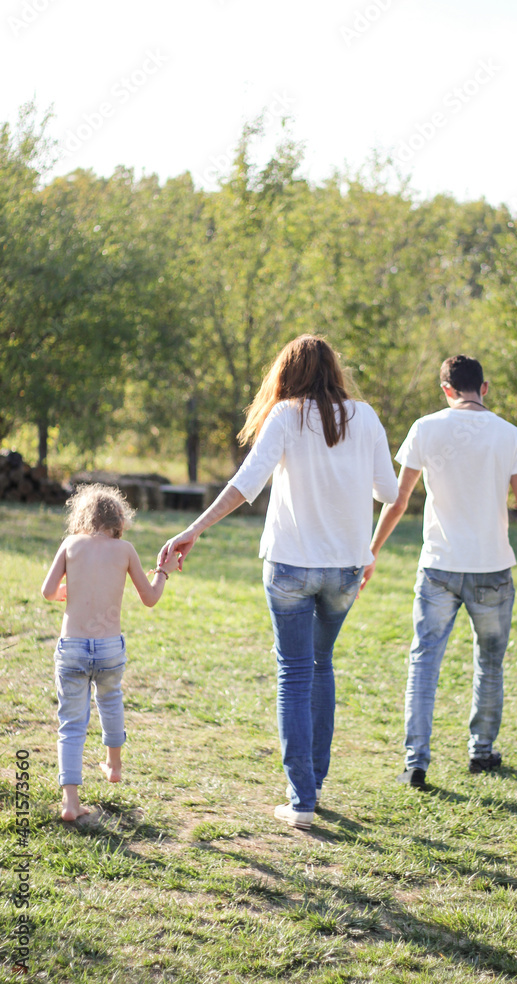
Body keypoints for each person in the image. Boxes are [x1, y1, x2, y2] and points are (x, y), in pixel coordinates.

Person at [159, 334, 398, 830]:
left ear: (288, 373)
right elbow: (388, 492)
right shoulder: (367, 417)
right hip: (346, 569)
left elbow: (245, 484)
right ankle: (314, 786)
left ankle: (301, 798)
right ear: (334, 371)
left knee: (294, 672)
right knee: (321, 664)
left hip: (290, 565)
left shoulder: (287, 415)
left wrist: (192, 530)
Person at [361, 354, 517, 787]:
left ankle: (415, 763)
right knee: (490, 663)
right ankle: (481, 753)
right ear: (484, 388)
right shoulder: (511, 436)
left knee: (424, 663)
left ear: (446, 390)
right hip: (493, 570)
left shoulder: (425, 428)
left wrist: (371, 552)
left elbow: (399, 500)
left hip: (439, 568)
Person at [41, 483, 181, 821]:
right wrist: (163, 571)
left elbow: (47, 591)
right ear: (119, 519)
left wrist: (65, 592)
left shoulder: (70, 544)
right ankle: (113, 765)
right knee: (111, 701)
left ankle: (70, 802)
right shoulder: (125, 550)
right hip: (108, 648)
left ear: (82, 517)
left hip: (72, 647)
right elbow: (150, 598)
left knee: (71, 723)